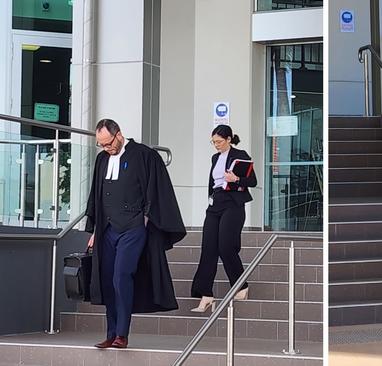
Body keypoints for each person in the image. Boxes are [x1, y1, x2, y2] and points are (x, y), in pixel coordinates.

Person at [85, 119, 186, 348]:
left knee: (122, 276)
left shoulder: (144, 155)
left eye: (108, 143)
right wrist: (94, 230)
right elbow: (97, 195)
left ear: (119, 135)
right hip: (107, 229)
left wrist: (146, 219)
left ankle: (122, 333)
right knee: (108, 279)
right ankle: (111, 333)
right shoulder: (102, 159)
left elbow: (158, 190)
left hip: (133, 228)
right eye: (101, 145)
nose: (106, 148)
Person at [190, 125, 257, 312]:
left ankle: (241, 285)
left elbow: (252, 181)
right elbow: (212, 182)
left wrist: (235, 179)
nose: (216, 145)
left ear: (228, 139)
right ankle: (205, 294)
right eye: (214, 142)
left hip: (233, 203)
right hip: (216, 203)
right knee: (208, 247)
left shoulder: (240, 154)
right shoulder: (215, 158)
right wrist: (210, 198)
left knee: (226, 246)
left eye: (219, 141)